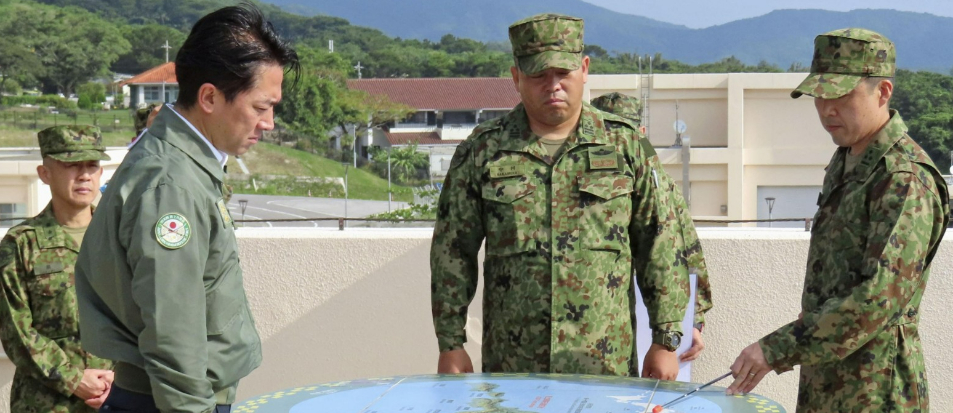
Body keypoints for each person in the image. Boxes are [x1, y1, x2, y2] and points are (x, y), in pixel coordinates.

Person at [431, 13, 695, 380]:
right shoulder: (483, 151)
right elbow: (452, 250)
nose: (553, 85)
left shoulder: (626, 146)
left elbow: (661, 242)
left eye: (562, 73)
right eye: (538, 75)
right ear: (516, 78)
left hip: (604, 364)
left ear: (584, 70)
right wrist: (450, 343)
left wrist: (665, 341)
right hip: (513, 365)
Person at [74, 3, 299, 412]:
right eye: (260, 107)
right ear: (209, 97)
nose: (268, 122)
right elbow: (172, 331)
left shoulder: (183, 167)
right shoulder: (171, 184)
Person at [726, 28, 949, 413]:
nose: (827, 110)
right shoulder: (848, 160)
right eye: (820, 96)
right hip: (826, 384)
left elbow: (878, 298)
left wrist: (776, 348)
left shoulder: (904, 178)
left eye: (842, 96)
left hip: (876, 392)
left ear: (882, 92)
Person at [590, 92, 713, 365]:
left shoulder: (660, 184)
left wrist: (692, 322)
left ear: (640, 134)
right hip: (600, 319)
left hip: (652, 319)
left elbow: (684, 252)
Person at [0, 125, 114, 412]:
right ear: (45, 173)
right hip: (47, 403)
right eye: (71, 165)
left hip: (116, 397)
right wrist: (74, 379)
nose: (84, 175)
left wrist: (120, 379)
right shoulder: (21, 243)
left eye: (92, 165)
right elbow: (15, 331)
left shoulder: (120, 237)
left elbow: (145, 317)